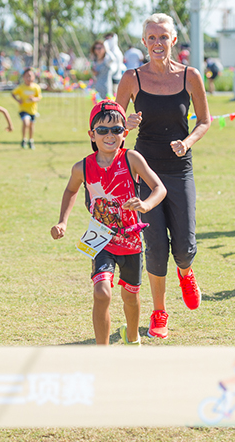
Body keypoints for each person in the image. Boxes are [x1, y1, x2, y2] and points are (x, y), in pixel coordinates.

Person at [115, 13, 211, 340]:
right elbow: (112, 124)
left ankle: (186, 271)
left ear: (173, 41)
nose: (158, 43)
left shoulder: (190, 76)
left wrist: (188, 142)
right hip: (144, 170)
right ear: (144, 42)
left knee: (183, 246)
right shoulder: (132, 78)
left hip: (179, 169)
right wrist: (124, 124)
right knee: (155, 247)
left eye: (163, 37)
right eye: (152, 38)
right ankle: (159, 311)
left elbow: (204, 121)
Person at [51, 100, 167, 345]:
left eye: (116, 129)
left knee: (130, 297)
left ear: (125, 133)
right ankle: (102, 352)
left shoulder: (131, 159)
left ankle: (132, 337)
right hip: (101, 240)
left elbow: (159, 188)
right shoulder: (82, 167)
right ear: (92, 135)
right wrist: (63, 221)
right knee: (102, 292)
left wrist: (146, 205)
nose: (109, 135)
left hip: (131, 242)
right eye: (102, 130)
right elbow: (71, 191)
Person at [11, 67, 42, 149]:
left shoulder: (36, 87)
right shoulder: (21, 87)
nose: (29, 78)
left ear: (34, 77)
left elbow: (39, 97)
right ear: (23, 77)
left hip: (32, 110)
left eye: (30, 76)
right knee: (26, 122)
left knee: (31, 125)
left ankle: (31, 140)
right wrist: (18, 100)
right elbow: (13, 93)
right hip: (23, 109)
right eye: (26, 76)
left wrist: (34, 99)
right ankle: (24, 139)